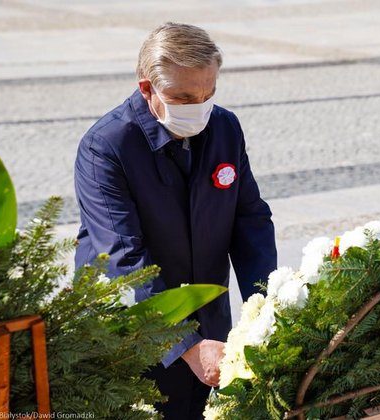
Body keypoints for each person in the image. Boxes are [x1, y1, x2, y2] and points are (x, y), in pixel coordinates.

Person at [73, 22, 277, 419]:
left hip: (211, 325)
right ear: (147, 88)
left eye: (208, 94)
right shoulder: (106, 147)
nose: (199, 107)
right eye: (183, 97)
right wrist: (185, 345)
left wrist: (267, 306)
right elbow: (123, 261)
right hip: (134, 334)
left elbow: (250, 220)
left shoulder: (224, 128)